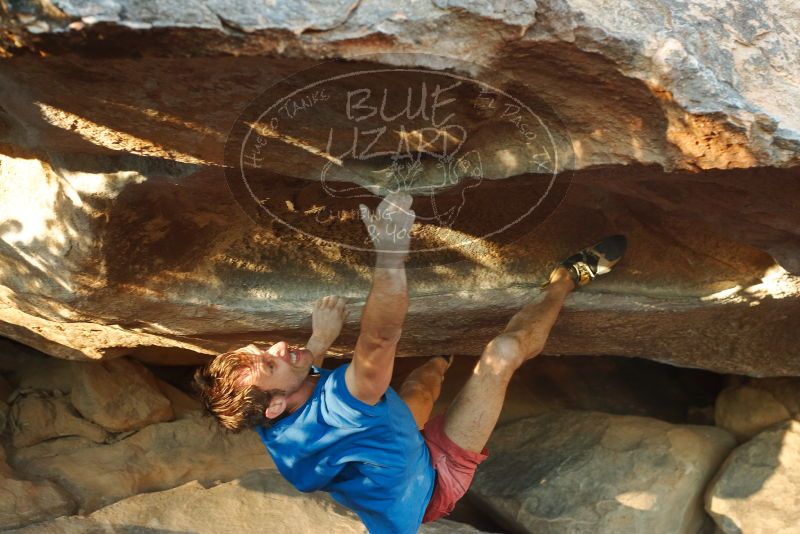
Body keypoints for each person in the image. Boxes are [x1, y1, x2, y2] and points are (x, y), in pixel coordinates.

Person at [194, 192, 627, 533]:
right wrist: (390, 252)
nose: (276, 348)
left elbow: (295, 391)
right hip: (433, 485)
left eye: (260, 348)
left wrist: (318, 343)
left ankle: (444, 357)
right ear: (272, 405)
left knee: (421, 385)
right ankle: (566, 279)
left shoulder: (266, 418)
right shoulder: (344, 405)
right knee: (502, 354)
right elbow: (379, 338)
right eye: (269, 363)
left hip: (393, 452)